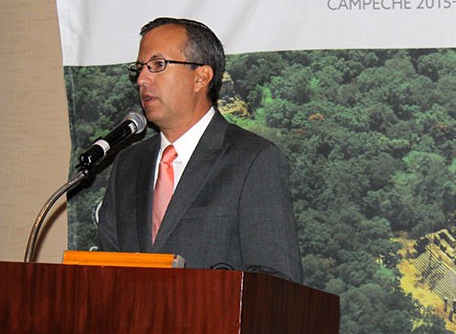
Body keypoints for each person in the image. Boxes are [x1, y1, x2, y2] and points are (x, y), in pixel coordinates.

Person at [96, 17, 303, 283]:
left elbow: (278, 280)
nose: (142, 80)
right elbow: (106, 274)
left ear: (201, 77)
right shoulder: (129, 164)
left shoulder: (253, 160)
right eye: (139, 69)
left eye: (157, 65)